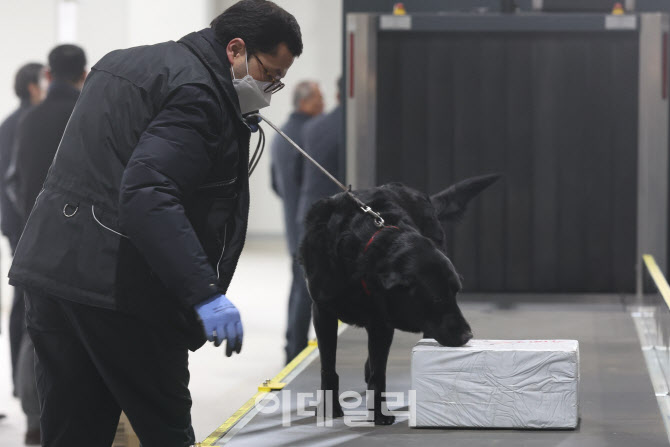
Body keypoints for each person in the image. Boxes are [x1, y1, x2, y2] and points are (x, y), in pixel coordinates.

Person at [8, 1, 302, 446]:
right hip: (121, 288)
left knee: (71, 430)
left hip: (52, 271)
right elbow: (148, 194)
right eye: (269, 74)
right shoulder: (200, 92)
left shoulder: (118, 63)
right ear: (236, 50)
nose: (270, 88)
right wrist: (203, 293)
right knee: (165, 427)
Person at [10, 45, 86, 446]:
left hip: (33, 241)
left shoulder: (29, 119)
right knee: (79, 333)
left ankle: (35, 420)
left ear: (48, 75)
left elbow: (16, 183)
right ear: (84, 73)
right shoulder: (86, 113)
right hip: (79, 245)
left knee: (34, 330)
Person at [270, 80, 323, 363]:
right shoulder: (308, 135)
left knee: (298, 289)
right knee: (305, 292)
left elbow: (275, 185)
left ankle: (292, 346)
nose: (323, 104)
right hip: (308, 227)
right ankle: (295, 352)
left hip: (293, 224)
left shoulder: (282, 134)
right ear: (305, 102)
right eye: (319, 99)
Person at [0, 62, 44, 401]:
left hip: (18, 225)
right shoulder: (26, 123)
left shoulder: (11, 123)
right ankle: (24, 385)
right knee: (25, 304)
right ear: (32, 86)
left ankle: (21, 384)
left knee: (22, 302)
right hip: (26, 226)